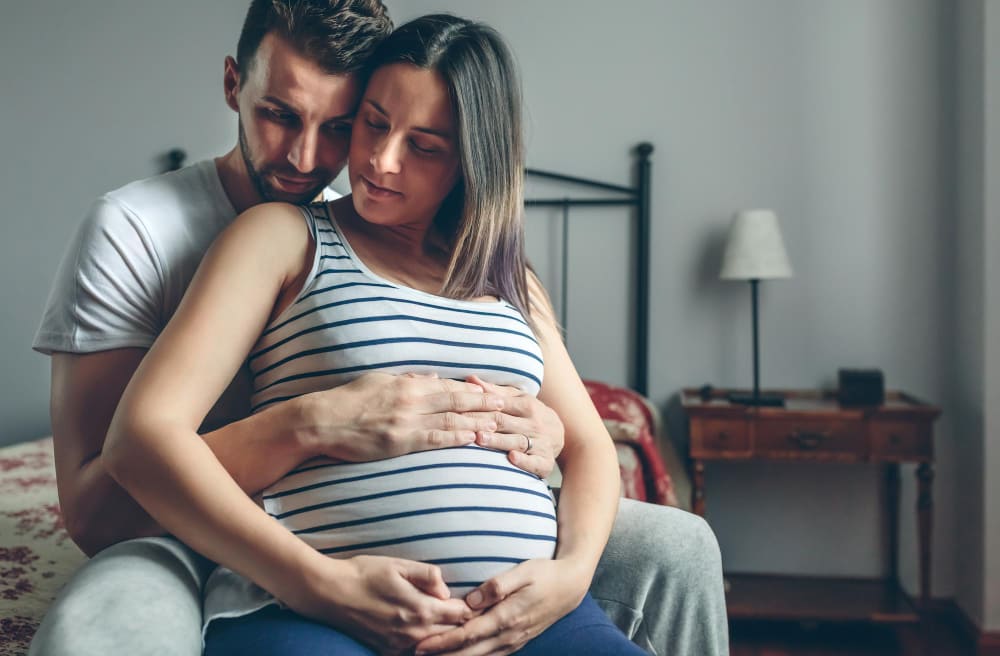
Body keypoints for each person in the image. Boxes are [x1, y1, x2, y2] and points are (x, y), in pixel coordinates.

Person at [29, 1, 728, 655]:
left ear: (468, 160)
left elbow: (587, 445)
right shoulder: (230, 232)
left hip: (513, 598)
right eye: (372, 124)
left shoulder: (505, 274)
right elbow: (117, 475)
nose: (354, 160)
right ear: (233, 85)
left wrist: (572, 567)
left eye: (343, 125)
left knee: (681, 542)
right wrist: (315, 444)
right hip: (263, 560)